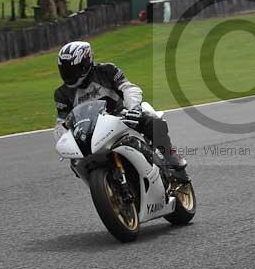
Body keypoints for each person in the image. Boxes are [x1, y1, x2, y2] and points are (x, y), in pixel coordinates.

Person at [54, 41, 187, 172]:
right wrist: (63, 141)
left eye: (72, 70)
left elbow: (128, 88)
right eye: (65, 70)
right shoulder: (62, 94)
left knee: (152, 122)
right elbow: (62, 122)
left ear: (85, 64)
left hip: (122, 118)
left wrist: (134, 108)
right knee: (76, 161)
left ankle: (169, 153)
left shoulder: (107, 71)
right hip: (90, 132)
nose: (68, 75)